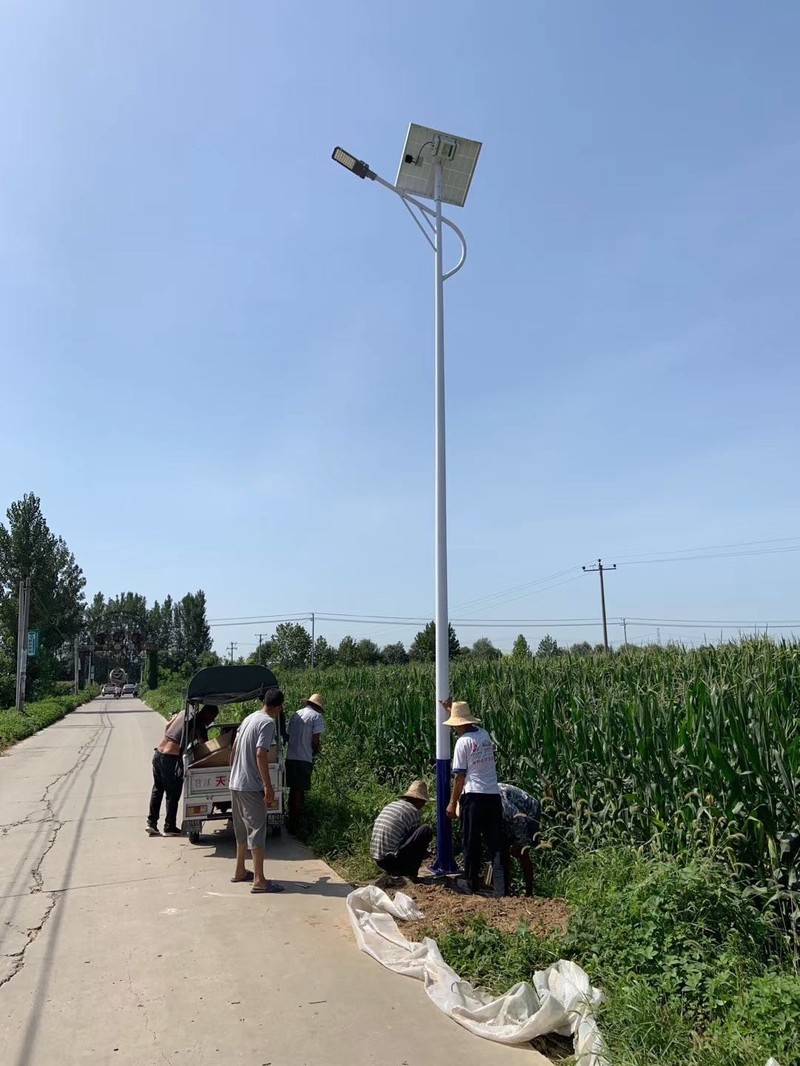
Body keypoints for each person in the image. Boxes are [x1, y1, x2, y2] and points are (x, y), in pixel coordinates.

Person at [442, 699, 506, 897]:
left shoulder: (462, 743)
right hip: (493, 796)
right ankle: (501, 889)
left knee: (471, 842)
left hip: (473, 797)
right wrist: (450, 709)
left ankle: (470, 882)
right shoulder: (484, 735)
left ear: (457, 724)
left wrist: (452, 803)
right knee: (496, 844)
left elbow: (460, 777)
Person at [229, 687, 285, 893]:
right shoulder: (268, 723)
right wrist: (267, 785)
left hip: (235, 783)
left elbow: (234, 748)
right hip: (250, 786)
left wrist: (235, 772)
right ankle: (259, 880)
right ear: (277, 707)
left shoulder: (249, 718)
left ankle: (240, 870)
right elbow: (261, 754)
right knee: (257, 831)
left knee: (241, 830)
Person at [147, 703, 218, 837]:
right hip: (170, 758)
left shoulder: (183, 713)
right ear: (207, 714)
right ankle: (169, 827)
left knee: (158, 789)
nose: (211, 721)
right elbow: (205, 747)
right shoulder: (199, 724)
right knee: (173, 792)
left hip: (158, 753)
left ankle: (151, 824)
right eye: (212, 717)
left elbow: (167, 726)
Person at [370, 781, 433, 881]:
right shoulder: (413, 811)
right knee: (426, 830)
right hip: (391, 860)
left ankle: (396, 870)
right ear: (418, 800)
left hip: (378, 858)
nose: (423, 805)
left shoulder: (392, 805)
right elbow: (415, 844)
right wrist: (423, 852)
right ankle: (410, 873)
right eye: (423, 801)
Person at [285, 693, 325, 834]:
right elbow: (315, 741)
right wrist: (316, 751)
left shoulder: (296, 714)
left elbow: (288, 736)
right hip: (304, 758)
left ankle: (292, 819)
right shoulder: (317, 717)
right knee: (299, 791)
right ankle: (296, 824)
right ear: (318, 706)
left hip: (291, 757)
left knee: (293, 790)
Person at [498, 783, 541, 897]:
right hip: (511, 815)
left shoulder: (499, 802)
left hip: (528, 810)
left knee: (523, 853)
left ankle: (529, 892)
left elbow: (519, 818)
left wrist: (520, 843)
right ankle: (505, 891)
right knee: (503, 851)